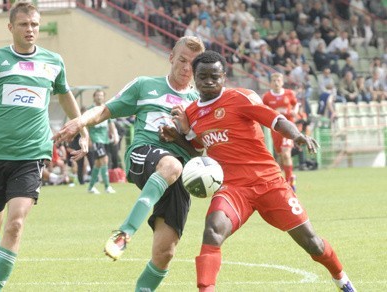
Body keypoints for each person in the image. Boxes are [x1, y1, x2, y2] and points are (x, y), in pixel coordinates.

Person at [162, 50, 356, 292]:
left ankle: (342, 279)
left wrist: (297, 136)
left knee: (312, 243)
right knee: (212, 231)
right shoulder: (191, 113)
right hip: (232, 189)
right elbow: (197, 154)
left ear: (224, 76)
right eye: (203, 76)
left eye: (215, 76)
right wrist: (176, 138)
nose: (209, 81)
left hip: (270, 183)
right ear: (194, 77)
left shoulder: (240, 98)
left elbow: (275, 120)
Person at [53, 36, 206, 291]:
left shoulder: (199, 102)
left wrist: (181, 134)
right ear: (171, 57)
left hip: (179, 174)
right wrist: (80, 122)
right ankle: (125, 232)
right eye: (182, 60)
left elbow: (201, 149)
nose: (186, 68)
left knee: (164, 253)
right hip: (144, 154)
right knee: (171, 166)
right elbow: (106, 109)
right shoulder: (145, 85)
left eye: (193, 64)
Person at [0, 2, 87, 291]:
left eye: (34, 24)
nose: (30, 29)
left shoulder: (54, 61)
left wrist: (82, 128)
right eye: (24, 24)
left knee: (15, 224)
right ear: (10, 27)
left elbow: (65, 96)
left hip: (32, 154)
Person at [262, 72, 299, 190]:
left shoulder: (289, 93)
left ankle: (289, 183)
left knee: (286, 153)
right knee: (280, 154)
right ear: (270, 83)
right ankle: (288, 176)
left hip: (289, 127)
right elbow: (263, 109)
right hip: (276, 129)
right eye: (274, 81)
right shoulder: (267, 96)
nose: (276, 82)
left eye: (278, 80)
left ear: (282, 82)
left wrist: (295, 111)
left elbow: (296, 104)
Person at [86, 89, 119, 194]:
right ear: (94, 97)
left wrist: (115, 135)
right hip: (95, 138)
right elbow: (85, 125)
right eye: (97, 95)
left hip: (104, 139)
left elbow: (111, 123)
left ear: (104, 97)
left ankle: (91, 187)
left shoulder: (106, 108)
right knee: (104, 159)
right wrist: (87, 138)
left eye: (101, 96)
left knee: (98, 163)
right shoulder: (90, 109)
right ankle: (107, 186)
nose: (99, 97)